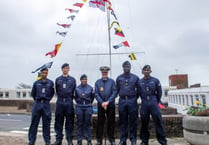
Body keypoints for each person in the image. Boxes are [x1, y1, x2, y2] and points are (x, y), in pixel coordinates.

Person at [138, 65, 167, 145]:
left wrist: (155, 101)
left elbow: (159, 93)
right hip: (144, 103)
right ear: (143, 71)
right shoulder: (140, 82)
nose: (146, 71)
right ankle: (144, 140)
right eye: (145, 70)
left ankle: (162, 141)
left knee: (158, 121)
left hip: (153, 102)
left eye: (148, 70)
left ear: (150, 71)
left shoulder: (155, 80)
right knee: (144, 122)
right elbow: (139, 93)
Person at [28, 68, 55, 145]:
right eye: (43, 73)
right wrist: (38, 101)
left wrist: (47, 100)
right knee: (34, 123)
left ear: (47, 73)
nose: (44, 74)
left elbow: (52, 93)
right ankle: (31, 140)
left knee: (46, 124)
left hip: (46, 104)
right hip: (37, 104)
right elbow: (33, 94)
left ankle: (47, 141)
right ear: (41, 73)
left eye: (46, 73)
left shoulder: (50, 83)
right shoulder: (36, 83)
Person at [52, 63, 76, 145]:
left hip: (69, 102)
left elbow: (74, 91)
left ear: (69, 69)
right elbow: (57, 90)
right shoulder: (58, 79)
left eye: (67, 68)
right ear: (62, 69)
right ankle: (58, 139)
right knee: (58, 121)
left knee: (69, 121)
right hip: (60, 102)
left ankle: (69, 139)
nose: (65, 69)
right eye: (64, 68)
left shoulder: (72, 79)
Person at [116, 61, 139, 145]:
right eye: (125, 66)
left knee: (133, 120)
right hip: (122, 100)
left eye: (128, 66)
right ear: (123, 67)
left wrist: (133, 98)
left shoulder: (135, 78)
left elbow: (138, 91)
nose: (127, 68)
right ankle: (123, 139)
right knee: (122, 121)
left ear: (130, 67)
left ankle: (133, 139)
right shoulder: (119, 78)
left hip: (132, 100)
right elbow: (117, 90)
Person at [95, 66, 117, 145]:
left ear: (107, 73)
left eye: (105, 72)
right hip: (101, 105)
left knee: (111, 122)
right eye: (103, 72)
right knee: (100, 122)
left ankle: (111, 139)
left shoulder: (112, 82)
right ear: (101, 73)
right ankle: (99, 140)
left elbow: (114, 93)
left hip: (110, 105)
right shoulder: (97, 82)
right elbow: (96, 94)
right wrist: (102, 103)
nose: (104, 74)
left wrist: (108, 102)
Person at [75, 74, 94, 145]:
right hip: (79, 106)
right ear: (80, 80)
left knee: (88, 123)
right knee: (79, 124)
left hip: (88, 106)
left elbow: (92, 97)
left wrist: (87, 103)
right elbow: (76, 98)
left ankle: (89, 140)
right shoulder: (77, 88)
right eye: (83, 79)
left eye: (85, 79)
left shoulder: (90, 88)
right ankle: (79, 140)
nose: (84, 80)